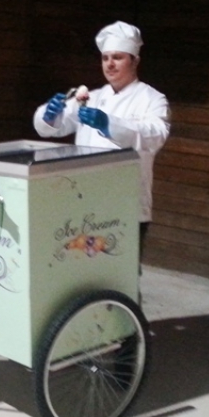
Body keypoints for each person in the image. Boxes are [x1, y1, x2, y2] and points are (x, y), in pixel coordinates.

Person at [33, 20, 170, 255]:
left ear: (135, 60)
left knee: (123, 272)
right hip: (85, 198)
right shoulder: (91, 97)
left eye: (118, 57)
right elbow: (51, 128)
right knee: (83, 264)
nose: (110, 64)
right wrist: (48, 115)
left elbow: (155, 135)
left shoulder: (152, 99)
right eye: (105, 58)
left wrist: (110, 125)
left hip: (126, 201)